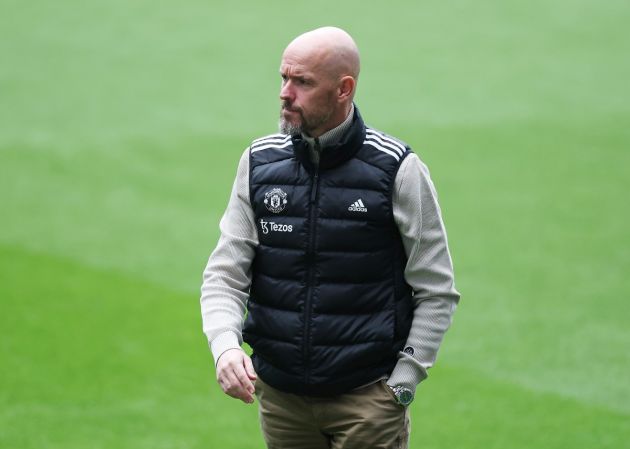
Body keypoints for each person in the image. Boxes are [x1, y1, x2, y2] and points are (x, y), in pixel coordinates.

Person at [200, 26, 460, 449]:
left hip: (367, 401)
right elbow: (224, 275)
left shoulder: (397, 169)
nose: (286, 93)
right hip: (281, 402)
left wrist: (404, 383)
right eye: (284, 78)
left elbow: (436, 289)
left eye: (302, 82)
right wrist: (225, 346)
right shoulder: (259, 163)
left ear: (344, 89)